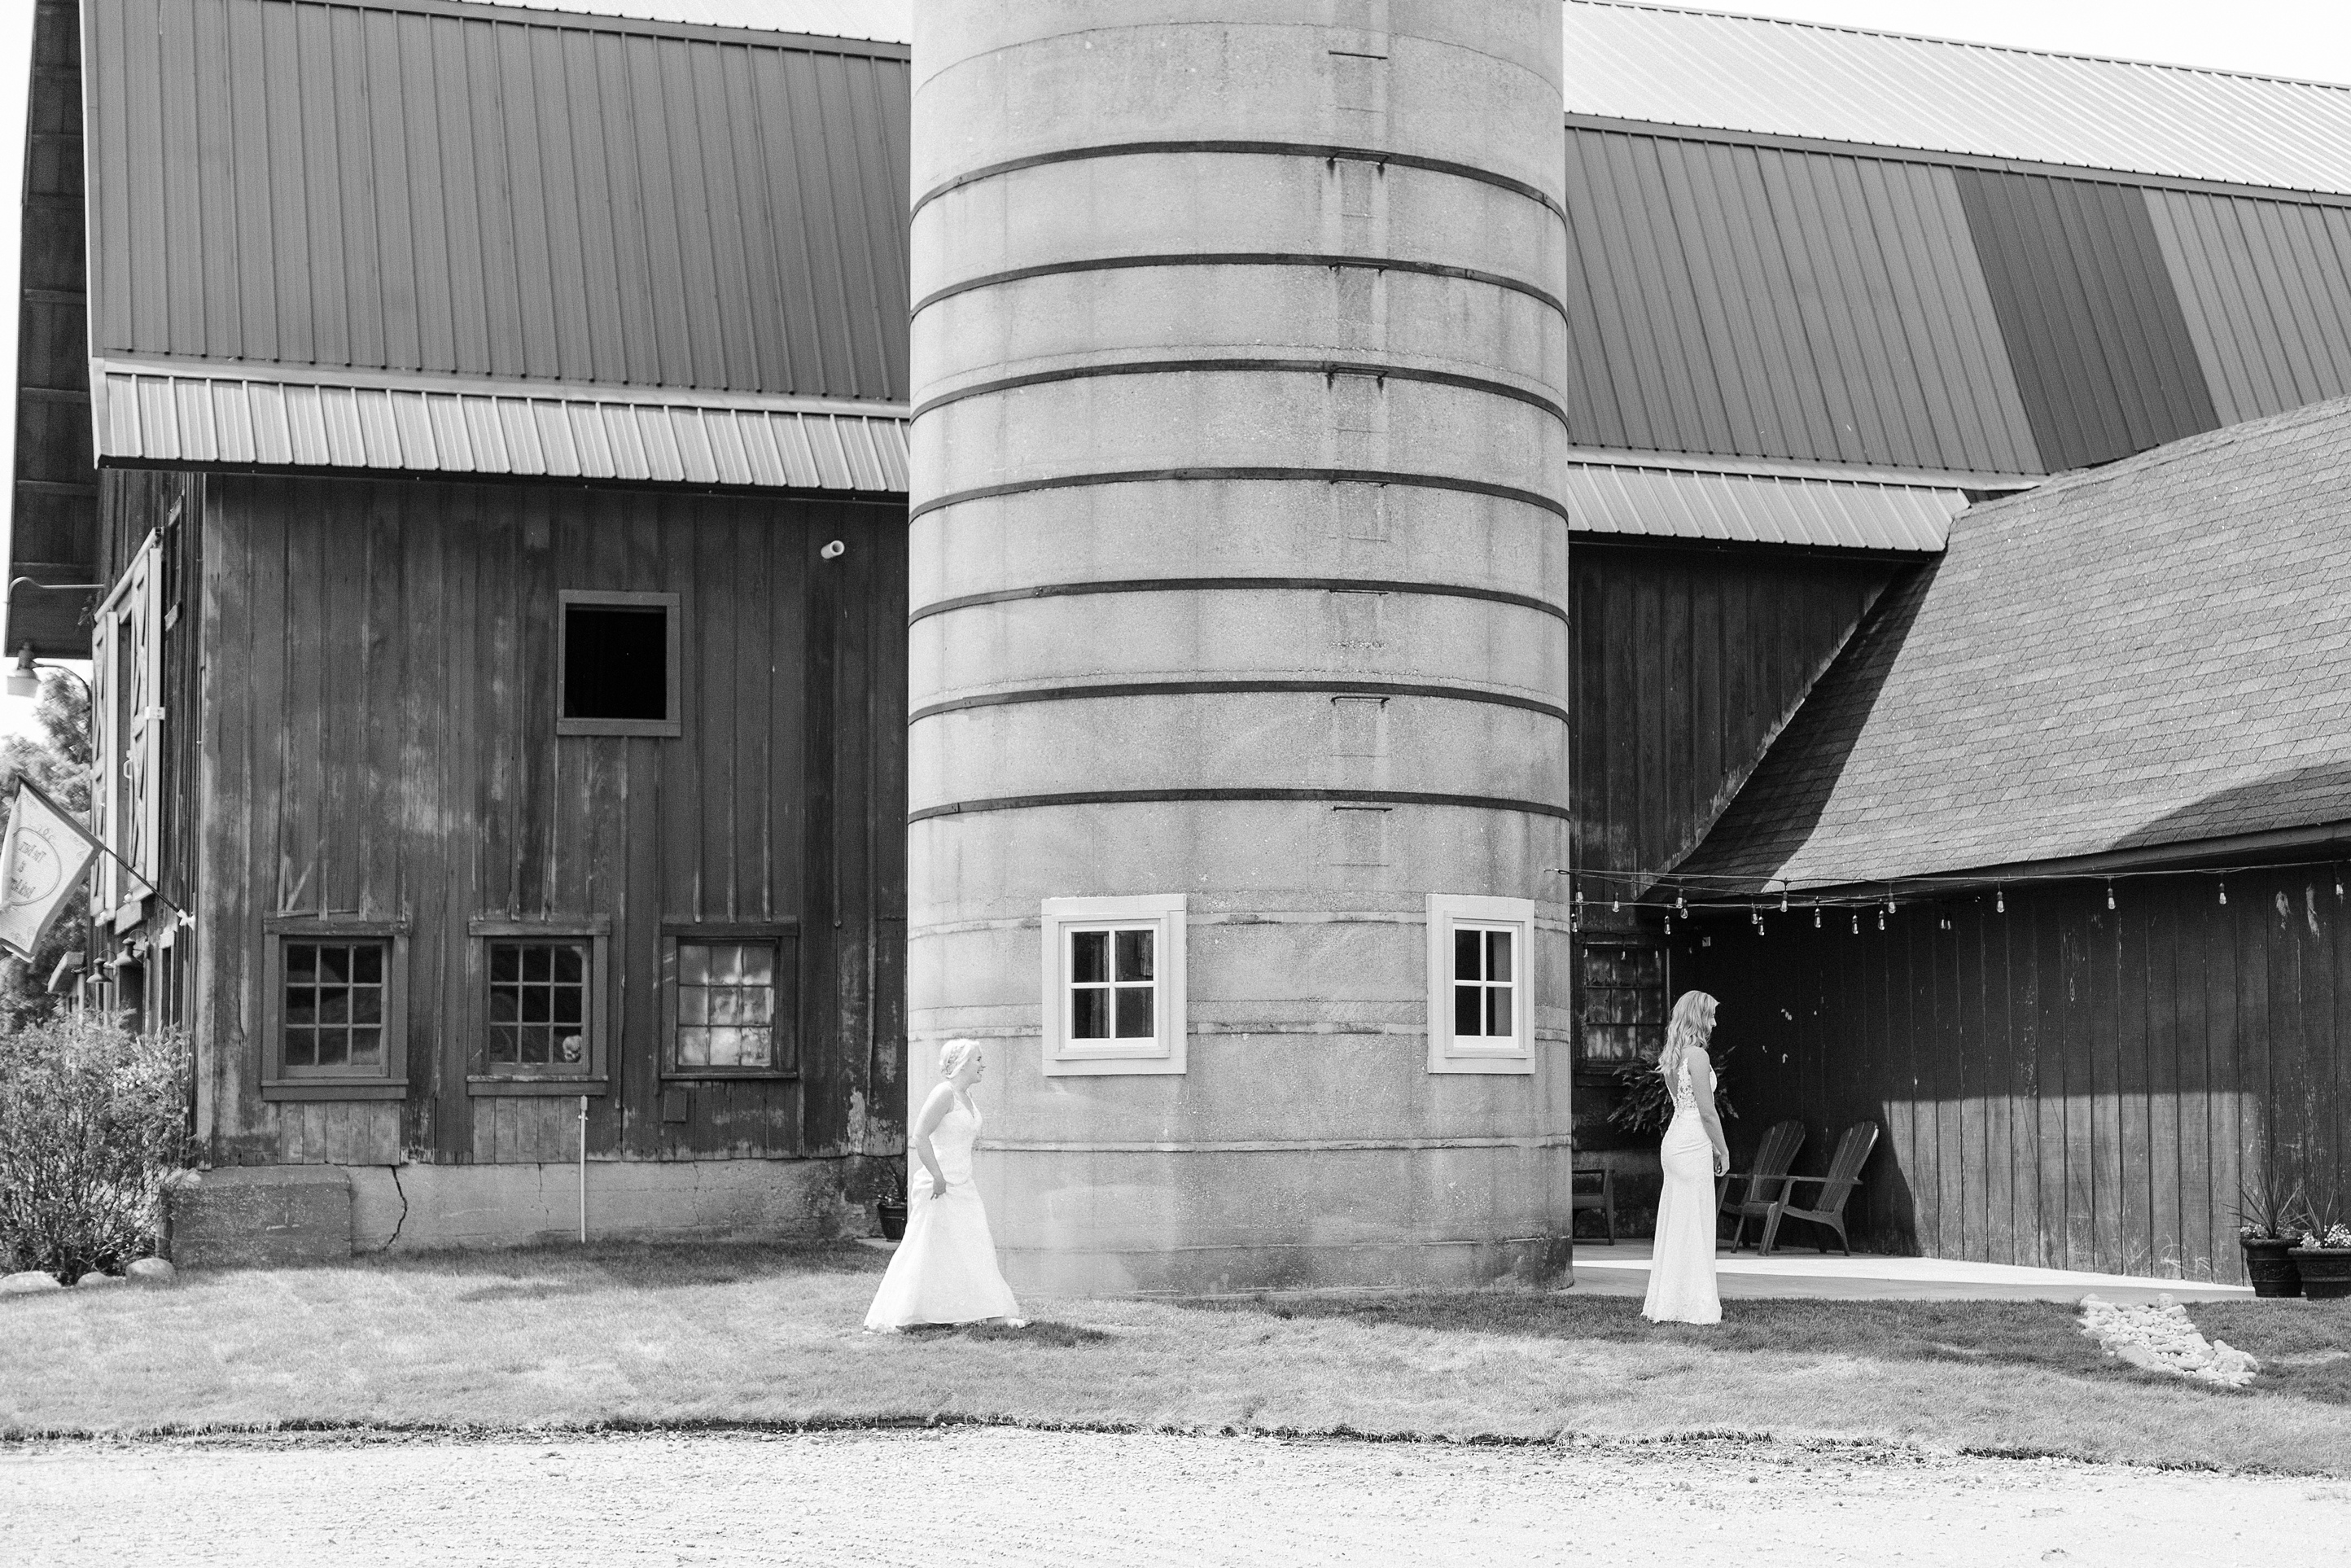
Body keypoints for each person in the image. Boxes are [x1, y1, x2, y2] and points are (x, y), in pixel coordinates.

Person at [864, 1038, 1024, 1332]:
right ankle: (907, 1312)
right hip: (939, 1186)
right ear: (962, 1063)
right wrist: (938, 1176)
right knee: (926, 1247)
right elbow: (920, 1137)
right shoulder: (944, 1094)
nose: (983, 1065)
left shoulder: (967, 1098)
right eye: (978, 1059)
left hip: (964, 1183)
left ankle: (994, 1313)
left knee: (976, 1243)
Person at [1642, 989, 1729, 1325]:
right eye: (1710, 1015)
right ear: (1697, 1017)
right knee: (1695, 1219)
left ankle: (1671, 1299)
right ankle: (1694, 1303)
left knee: (1678, 1219)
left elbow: (1683, 1104)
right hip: (1693, 1142)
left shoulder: (1672, 1056)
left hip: (1675, 1140)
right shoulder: (1698, 1056)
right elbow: (1707, 1112)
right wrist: (1723, 1150)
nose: (1714, 1022)